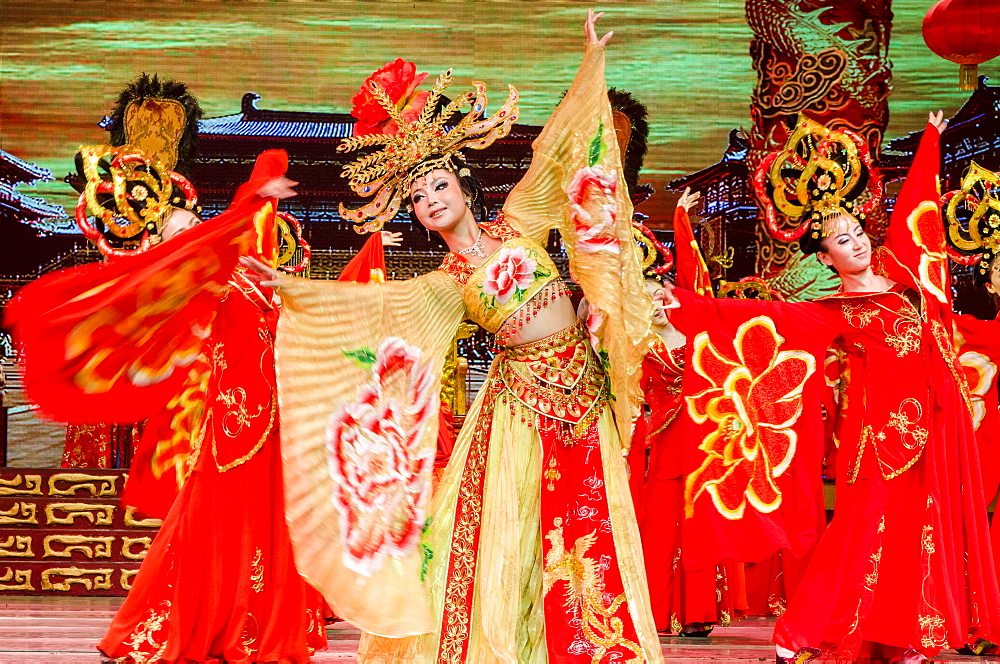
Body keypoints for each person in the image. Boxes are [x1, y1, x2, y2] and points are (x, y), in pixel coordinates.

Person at [244, 10, 662, 662]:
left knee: (591, 524)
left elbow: (558, 151)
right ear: (414, 214)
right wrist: (289, 292)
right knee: (512, 538)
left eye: (439, 184)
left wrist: (589, 66)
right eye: (417, 196)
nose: (431, 198)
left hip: (583, 393)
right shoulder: (444, 284)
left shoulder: (519, 220)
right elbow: (369, 318)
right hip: (519, 409)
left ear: (463, 186)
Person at [658, 112, 1000, 662]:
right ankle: (797, 633)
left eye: (859, 232)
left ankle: (902, 636)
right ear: (825, 257)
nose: (857, 244)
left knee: (917, 531)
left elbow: (919, 212)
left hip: (934, 425)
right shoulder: (832, 311)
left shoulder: (907, 275)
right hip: (876, 440)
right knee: (855, 537)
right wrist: (688, 306)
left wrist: (932, 139)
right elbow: (765, 319)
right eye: (843, 240)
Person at [6, 147, 329, 662]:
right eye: (181, 233)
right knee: (216, 516)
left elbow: (258, 213)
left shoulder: (244, 269)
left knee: (271, 518)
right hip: (230, 419)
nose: (193, 231)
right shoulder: (193, 289)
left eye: (192, 222)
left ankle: (253, 622)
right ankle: (201, 623)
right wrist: (257, 188)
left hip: (272, 413)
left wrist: (262, 186)